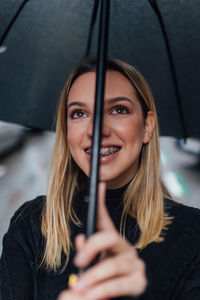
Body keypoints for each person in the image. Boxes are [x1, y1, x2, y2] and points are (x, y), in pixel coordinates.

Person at [0, 57, 200, 300]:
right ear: (67, 130)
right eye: (79, 113)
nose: (97, 129)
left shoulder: (192, 234)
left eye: (118, 110)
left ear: (147, 126)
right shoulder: (31, 224)